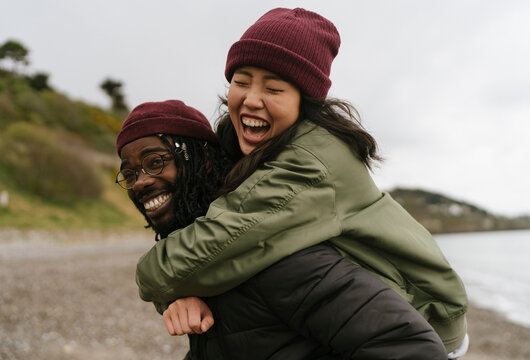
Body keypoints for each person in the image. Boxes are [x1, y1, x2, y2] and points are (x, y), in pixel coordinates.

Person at [135, 8, 469, 357]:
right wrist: (178, 297)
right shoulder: (245, 147)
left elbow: (197, 253)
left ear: (304, 103)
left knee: (259, 264)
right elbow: (201, 254)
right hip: (357, 303)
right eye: (241, 81)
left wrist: (156, 280)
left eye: (274, 88)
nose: (251, 98)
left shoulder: (308, 162)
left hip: (423, 315)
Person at [116, 99, 448, 359]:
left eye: (155, 161)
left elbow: (412, 349)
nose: (141, 181)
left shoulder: (266, 247)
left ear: (201, 160)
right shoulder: (196, 261)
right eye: (129, 174)